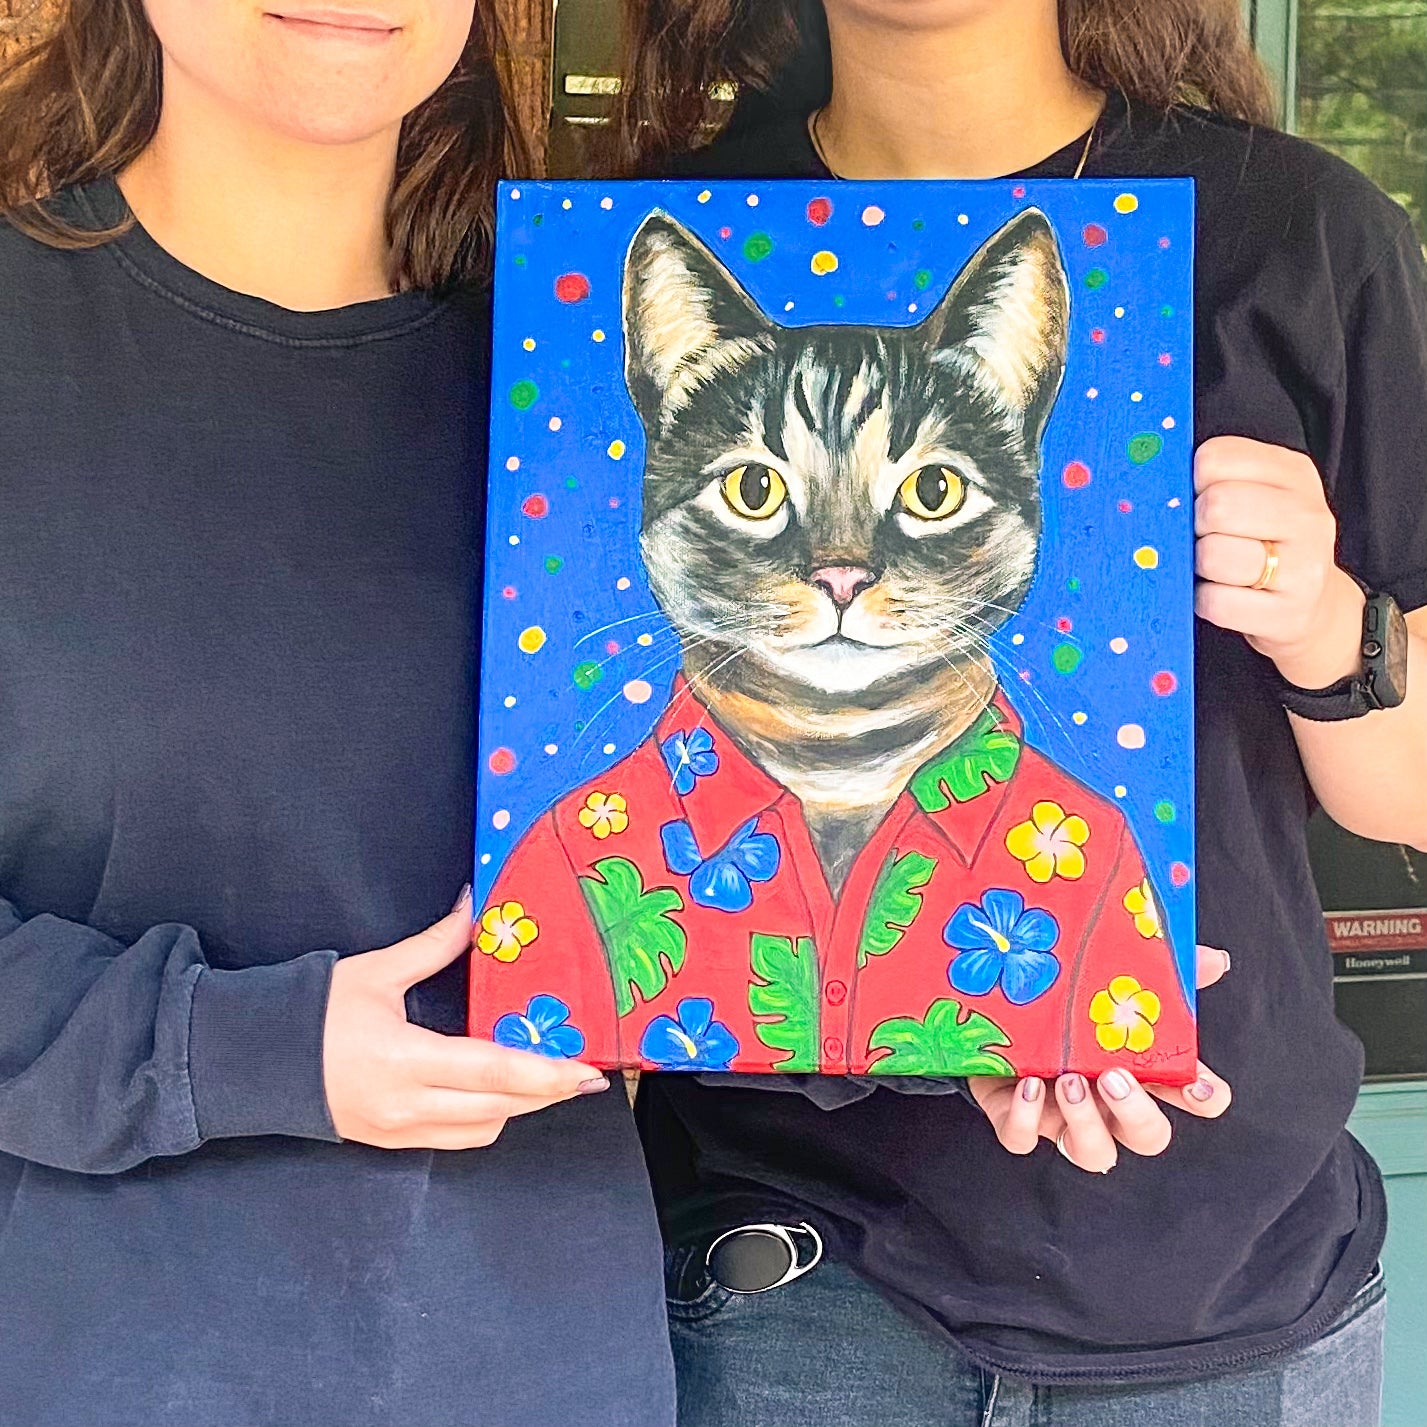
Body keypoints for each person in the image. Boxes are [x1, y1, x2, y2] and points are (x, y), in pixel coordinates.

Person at [606, 1, 1427, 1423]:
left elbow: (1404, 795)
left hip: (1228, 1288)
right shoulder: (649, 240)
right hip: (788, 1289)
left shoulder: (1296, 233)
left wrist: (1320, 619)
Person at [0, 4, 674, 1425]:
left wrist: (987, 1030)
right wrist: (238, 1049)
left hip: (538, 1366)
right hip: (84, 1363)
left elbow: (729, 886)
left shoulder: (611, 398)